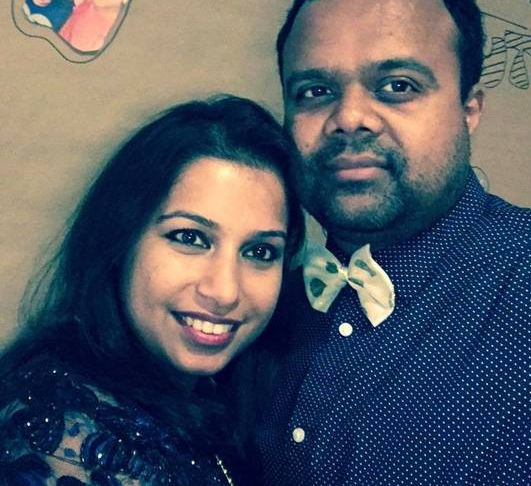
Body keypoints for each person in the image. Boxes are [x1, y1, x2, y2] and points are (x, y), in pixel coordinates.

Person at [256, 0, 531, 485]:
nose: (350, 117)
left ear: (469, 109)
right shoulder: (255, 306)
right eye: (315, 91)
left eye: (398, 86)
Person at [0, 95, 305, 485]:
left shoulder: (236, 392)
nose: (225, 291)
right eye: (190, 238)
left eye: (260, 251)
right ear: (120, 242)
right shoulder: (64, 434)